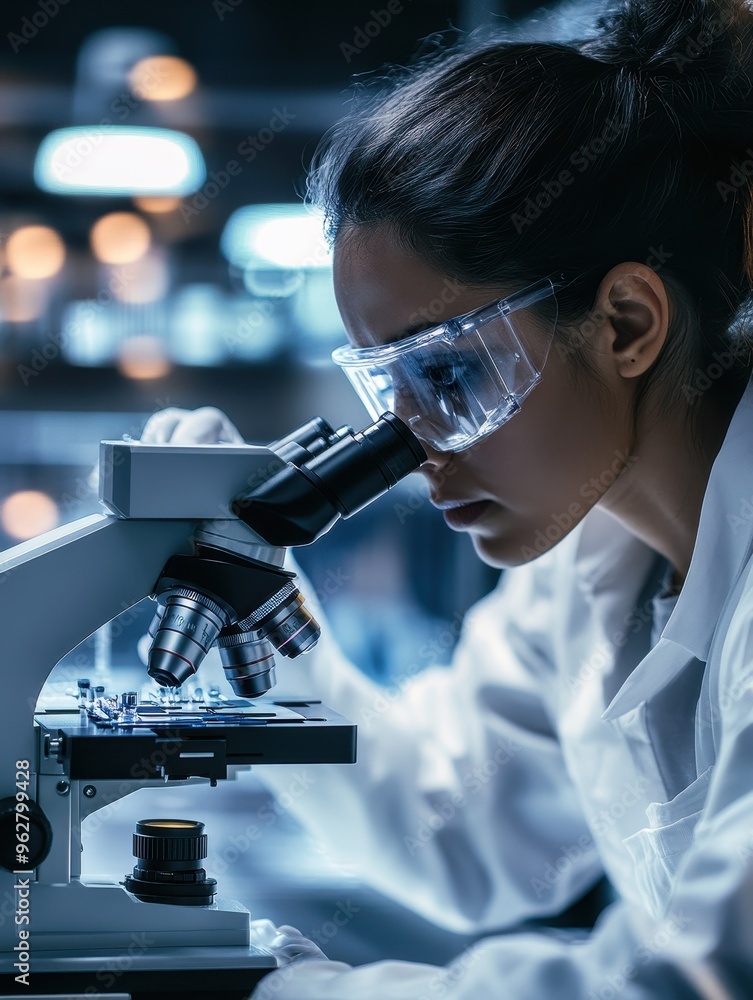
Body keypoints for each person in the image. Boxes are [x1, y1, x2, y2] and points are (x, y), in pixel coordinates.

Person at [142, 0, 753, 995]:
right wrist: (265, 623)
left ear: (629, 321)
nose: (410, 447)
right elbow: (448, 825)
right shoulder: (591, 569)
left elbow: (691, 981)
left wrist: (277, 990)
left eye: (450, 377)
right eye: (386, 389)